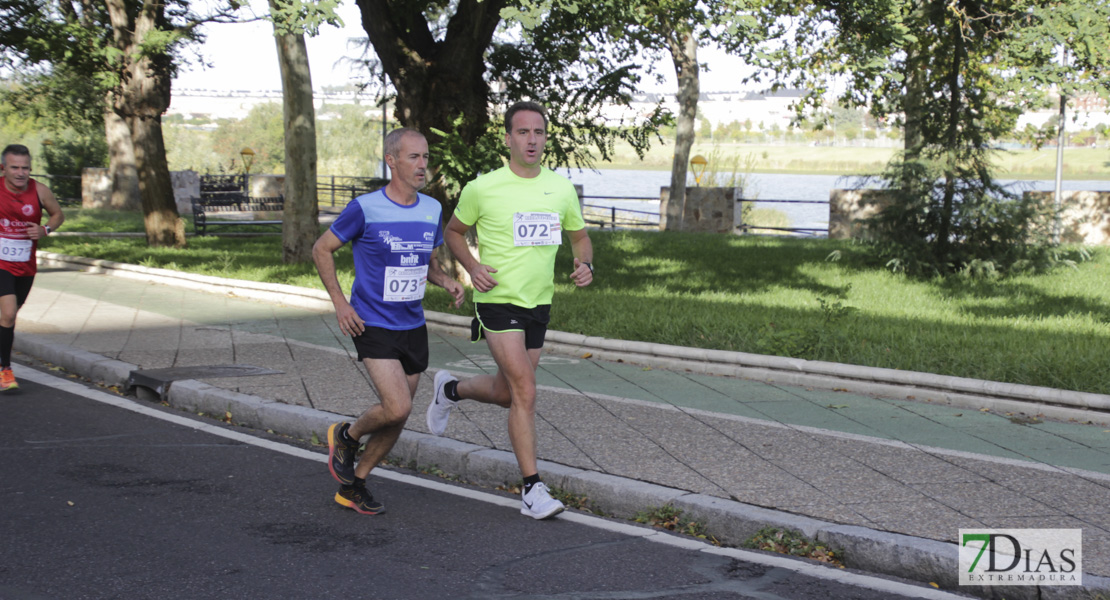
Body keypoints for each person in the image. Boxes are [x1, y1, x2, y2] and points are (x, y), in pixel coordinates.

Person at [427, 101, 593, 520]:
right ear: (508, 139)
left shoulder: (560, 188)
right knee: (526, 390)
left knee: (507, 394)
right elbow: (454, 231)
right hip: (497, 300)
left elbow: (580, 238)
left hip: (538, 302)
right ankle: (532, 489)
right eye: (523, 132)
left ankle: (450, 389)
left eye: (538, 132)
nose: (532, 139)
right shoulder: (483, 187)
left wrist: (585, 263)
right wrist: (472, 267)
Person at [314, 128, 464, 515]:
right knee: (396, 407)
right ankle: (346, 435)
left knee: (398, 416)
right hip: (372, 322)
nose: (422, 165)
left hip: (412, 325)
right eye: (413, 157)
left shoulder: (431, 209)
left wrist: (445, 280)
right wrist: (340, 303)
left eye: (426, 157)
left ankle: (355, 484)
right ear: (392, 161)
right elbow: (322, 249)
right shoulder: (365, 208)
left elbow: (426, 263)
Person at [0, 144, 65, 392]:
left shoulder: (39, 191)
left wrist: (45, 229)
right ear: (4, 168)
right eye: (14, 167)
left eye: (25, 168)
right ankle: (5, 370)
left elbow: (58, 215)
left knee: (10, 315)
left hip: (25, 265)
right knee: (7, 313)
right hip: (0, 263)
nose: (20, 173)